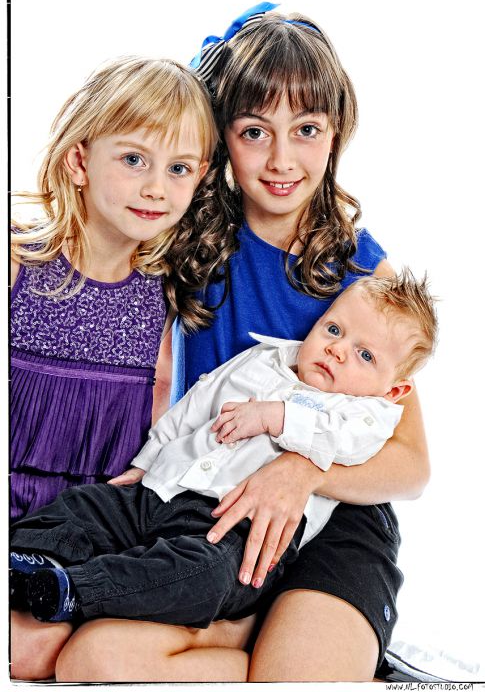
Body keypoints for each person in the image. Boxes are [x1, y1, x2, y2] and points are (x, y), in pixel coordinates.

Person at [15, 4, 431, 683]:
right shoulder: (186, 234)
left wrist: (304, 471)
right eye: (253, 131)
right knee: (92, 659)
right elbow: (125, 178)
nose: (281, 159)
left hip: (331, 514)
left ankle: (313, 641)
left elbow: (412, 464)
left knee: (296, 678)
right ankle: (249, 627)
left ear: (335, 134)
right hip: (201, 504)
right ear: (221, 141)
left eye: (306, 130)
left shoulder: (362, 274)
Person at [10, 270, 437, 632]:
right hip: (164, 487)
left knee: (202, 577)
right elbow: (195, 404)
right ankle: (27, 559)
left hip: (233, 529)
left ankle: (77, 589)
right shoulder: (265, 358)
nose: (337, 350)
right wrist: (146, 462)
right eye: (334, 330)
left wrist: (278, 417)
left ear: (394, 390)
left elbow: (348, 442)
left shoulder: (367, 413)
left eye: (365, 355)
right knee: (85, 507)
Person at [10, 55, 217, 521]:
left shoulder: (164, 298)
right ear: (79, 161)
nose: (156, 188)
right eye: (133, 160)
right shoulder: (16, 263)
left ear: (200, 174)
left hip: (85, 535)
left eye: (178, 169)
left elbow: (154, 437)